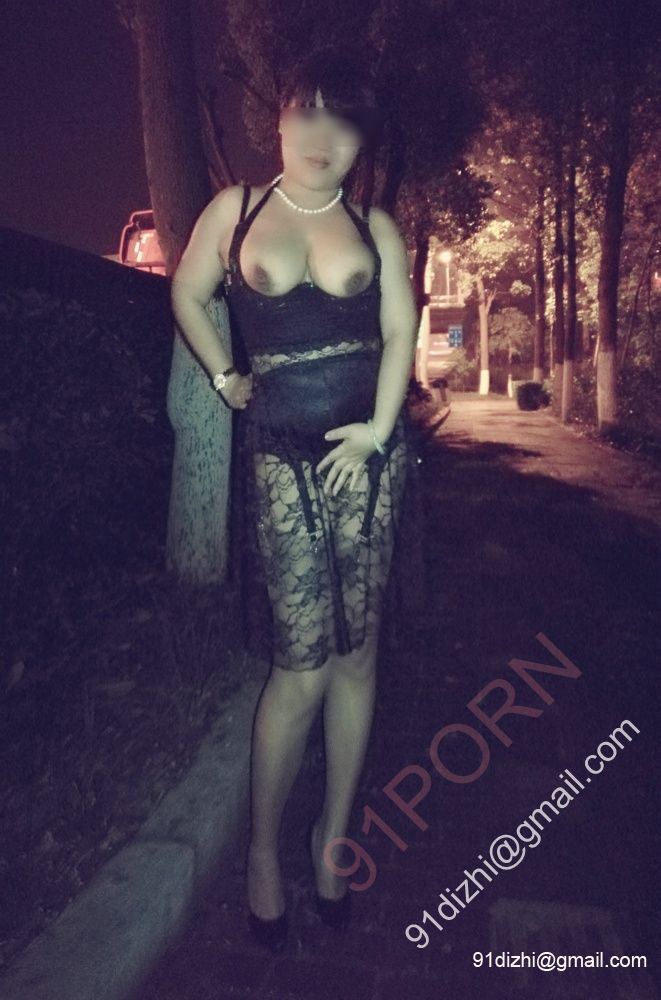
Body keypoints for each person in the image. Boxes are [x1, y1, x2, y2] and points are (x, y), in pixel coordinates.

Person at [170, 46, 423, 952]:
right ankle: (261, 855)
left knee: (356, 658)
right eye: (307, 112)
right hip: (280, 456)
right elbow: (187, 292)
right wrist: (224, 373)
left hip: (368, 461)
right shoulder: (235, 210)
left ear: (361, 140)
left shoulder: (374, 225)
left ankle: (332, 838)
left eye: (343, 121)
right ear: (276, 120)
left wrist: (379, 431)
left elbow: (400, 330)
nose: (323, 136)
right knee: (301, 667)